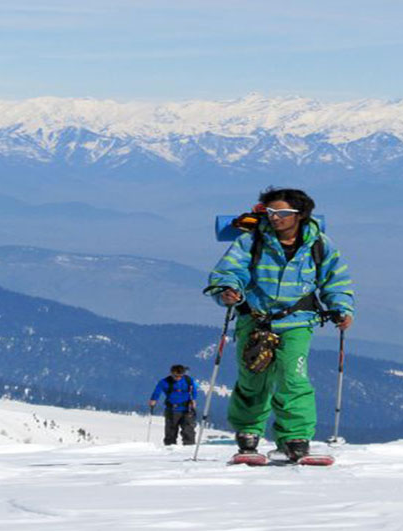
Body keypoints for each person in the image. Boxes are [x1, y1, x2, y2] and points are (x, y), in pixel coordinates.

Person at [206, 187, 354, 461]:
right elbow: (230, 270)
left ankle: (295, 438)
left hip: (298, 322)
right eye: (271, 212)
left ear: (301, 215)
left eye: (282, 212)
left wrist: (341, 307)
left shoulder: (319, 244)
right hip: (255, 318)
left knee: (292, 377)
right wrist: (228, 290)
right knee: (253, 378)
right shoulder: (251, 241)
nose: (275, 218)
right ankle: (248, 434)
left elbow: (335, 278)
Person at [148, 364, 198, 445]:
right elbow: (157, 391)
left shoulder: (188, 380)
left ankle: (189, 449)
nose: (177, 378)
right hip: (172, 410)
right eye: (175, 376)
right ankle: (170, 451)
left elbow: (194, 390)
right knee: (171, 433)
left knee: (188, 431)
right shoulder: (164, 382)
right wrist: (154, 399)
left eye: (180, 376)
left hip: (187, 409)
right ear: (171, 373)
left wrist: (194, 399)